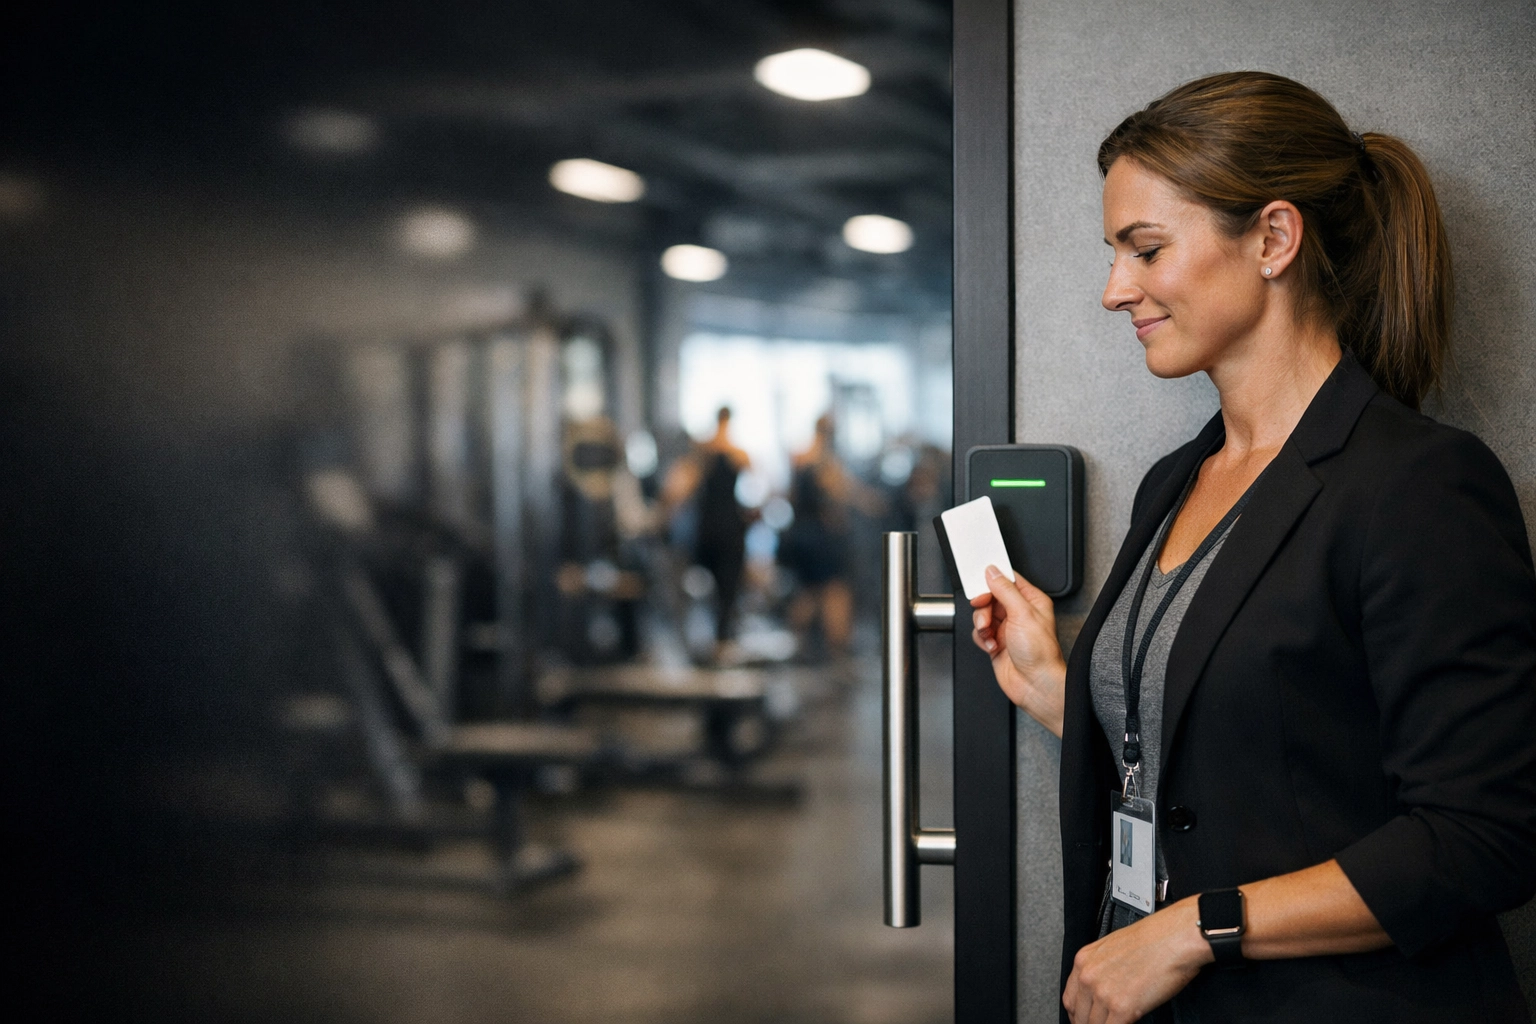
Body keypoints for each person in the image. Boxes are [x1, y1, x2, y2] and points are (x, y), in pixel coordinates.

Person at [969, 72, 1536, 1023]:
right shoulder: (1174, 482)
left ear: (1274, 238)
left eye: (1145, 249)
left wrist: (1194, 928)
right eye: (1115, 254)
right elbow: (1245, 750)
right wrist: (1062, 688)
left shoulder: (1419, 486)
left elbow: (1487, 835)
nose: (1116, 291)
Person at [780, 414, 882, 661]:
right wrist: (867, 503)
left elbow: (790, 496)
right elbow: (840, 493)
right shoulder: (825, 461)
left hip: (800, 533)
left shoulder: (800, 456)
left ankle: (797, 642)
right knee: (836, 591)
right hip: (820, 538)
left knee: (808, 592)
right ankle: (838, 648)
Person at [662, 406, 751, 657]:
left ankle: (713, 639)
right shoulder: (737, 453)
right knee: (727, 586)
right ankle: (720, 639)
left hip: (707, 527)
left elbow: (679, 490)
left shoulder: (704, 452)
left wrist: (668, 516)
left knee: (707, 585)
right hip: (728, 526)